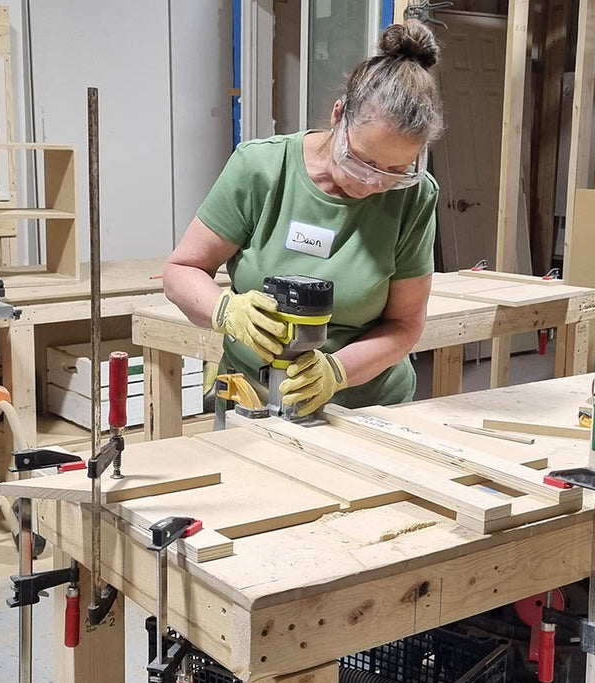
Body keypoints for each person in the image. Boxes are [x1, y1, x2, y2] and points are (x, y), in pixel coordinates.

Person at [163, 21, 444, 427]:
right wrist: (225, 309)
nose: (372, 183)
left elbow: (405, 324)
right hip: (253, 403)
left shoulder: (415, 196)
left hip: (365, 409)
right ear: (338, 116)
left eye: (395, 171)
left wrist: (336, 371)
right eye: (363, 161)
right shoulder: (261, 168)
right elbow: (181, 270)